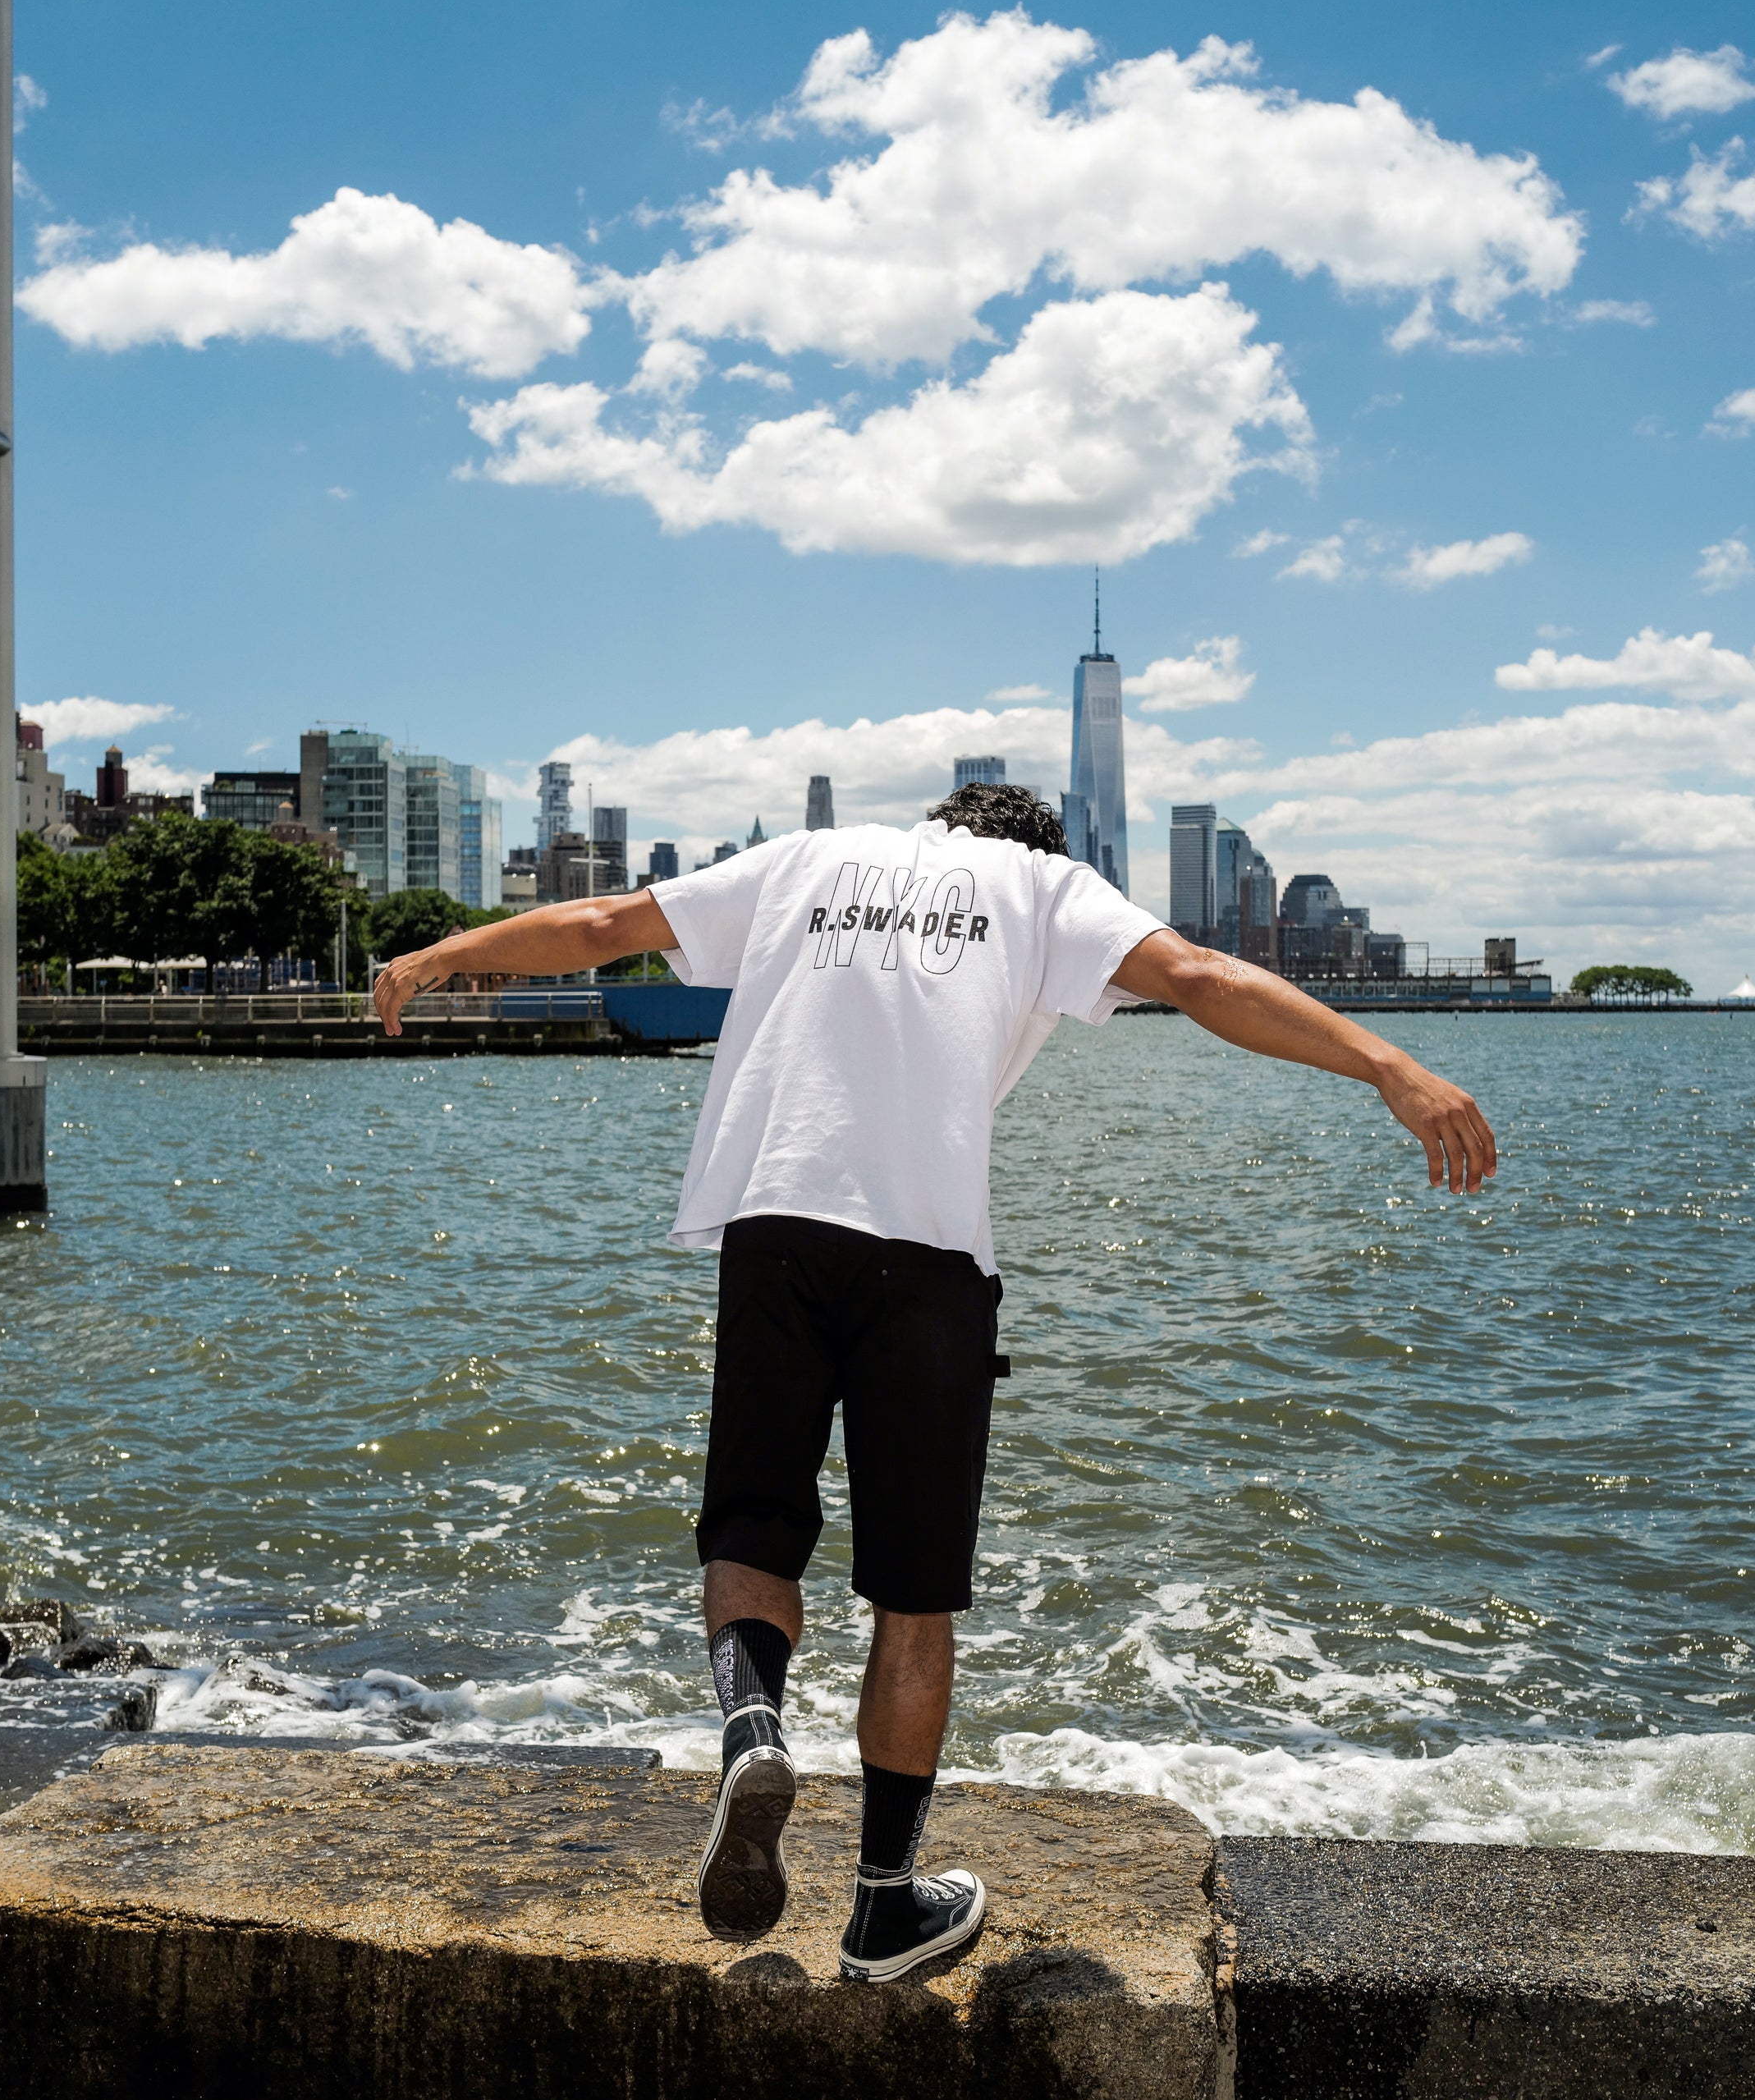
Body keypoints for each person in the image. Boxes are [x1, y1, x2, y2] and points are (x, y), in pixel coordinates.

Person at [373, 782, 1495, 1982]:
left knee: (753, 1522)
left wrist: (440, 956)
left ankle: (754, 1728)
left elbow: (602, 928)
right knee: (914, 1598)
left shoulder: (810, 858)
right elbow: (1205, 980)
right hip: (929, 1261)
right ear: (1033, 845)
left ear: (936, 822)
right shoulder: (1045, 887)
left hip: (777, 1219)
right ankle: (883, 1904)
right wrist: (1387, 1065)